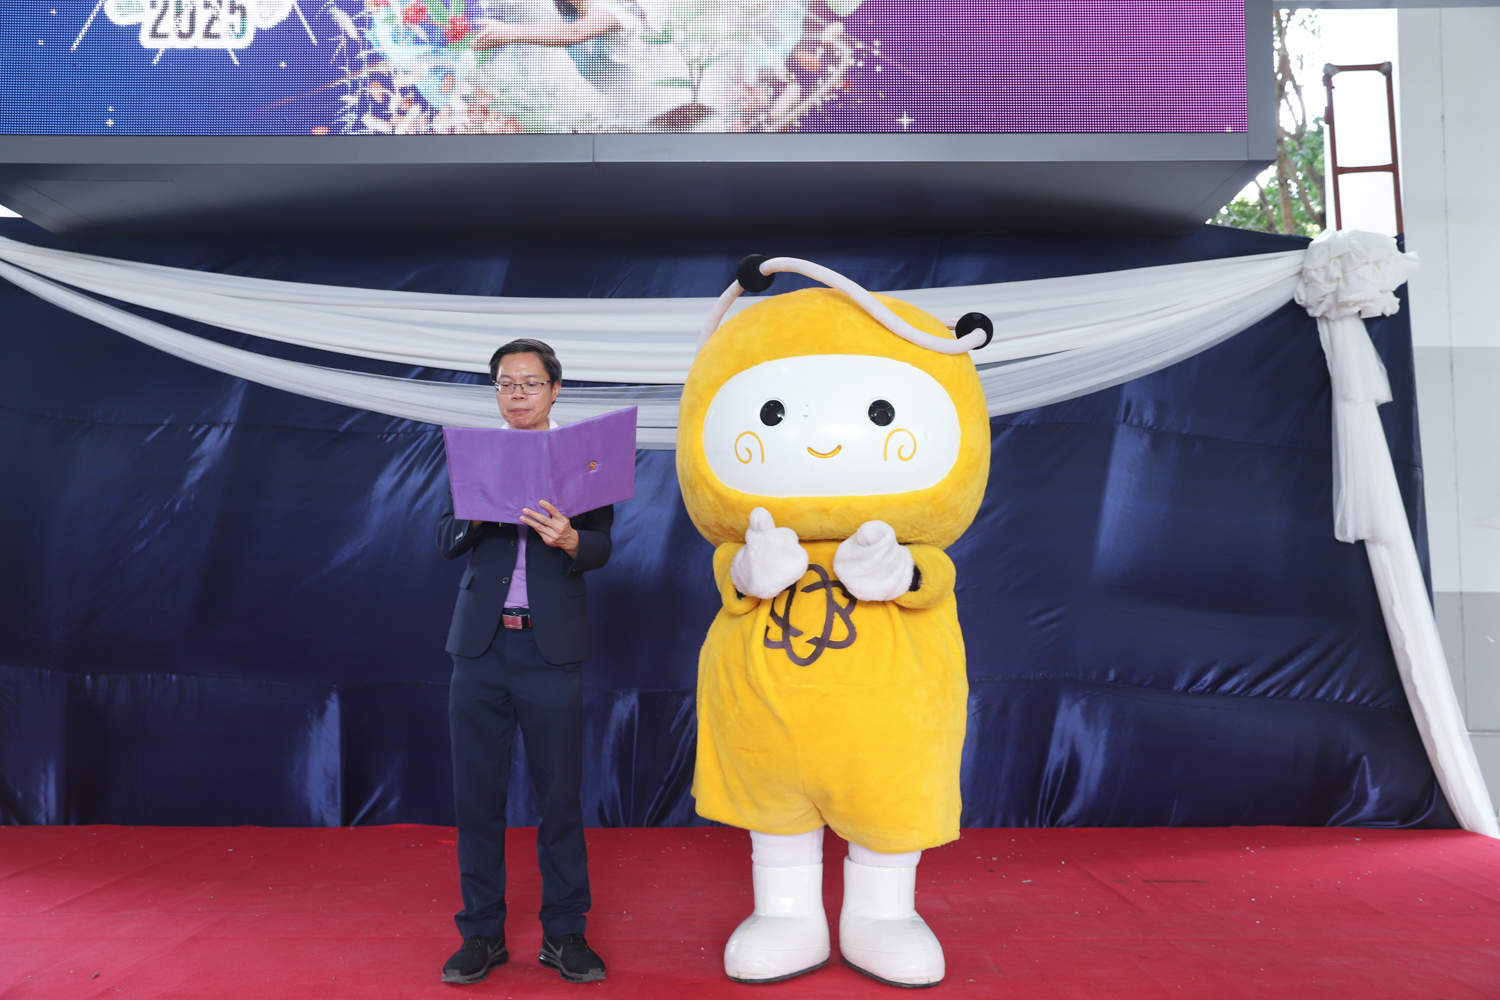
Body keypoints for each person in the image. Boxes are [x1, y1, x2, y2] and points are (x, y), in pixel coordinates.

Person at [436, 338, 613, 985]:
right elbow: (446, 538)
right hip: (480, 648)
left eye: (531, 383)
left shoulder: (583, 456)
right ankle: (482, 935)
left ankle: (564, 934)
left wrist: (570, 539)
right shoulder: (475, 455)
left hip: (550, 649)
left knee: (559, 798)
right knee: (476, 799)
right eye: (507, 384)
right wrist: (480, 514)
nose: (518, 394)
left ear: (554, 390)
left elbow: (602, 545)